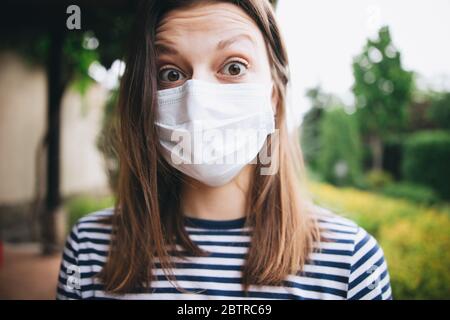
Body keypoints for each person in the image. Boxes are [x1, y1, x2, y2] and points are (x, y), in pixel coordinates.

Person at [56, 0, 392, 300]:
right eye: (170, 73)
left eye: (234, 67)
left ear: (273, 95)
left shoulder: (350, 261)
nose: (197, 101)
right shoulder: (90, 251)